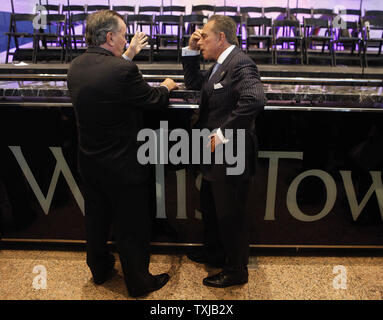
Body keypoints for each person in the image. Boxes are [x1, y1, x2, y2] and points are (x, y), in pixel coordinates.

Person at [67, 10, 178, 297]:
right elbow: (152, 100)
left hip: (90, 162)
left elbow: (109, 79)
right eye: (124, 35)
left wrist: (127, 54)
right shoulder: (123, 71)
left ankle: (100, 270)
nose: (126, 40)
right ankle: (140, 283)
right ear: (110, 36)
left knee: (96, 220)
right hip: (124, 167)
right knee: (132, 227)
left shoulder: (76, 66)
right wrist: (166, 87)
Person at [182, 15, 265, 288]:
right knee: (211, 205)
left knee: (231, 215)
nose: (199, 38)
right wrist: (191, 52)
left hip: (231, 153)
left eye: (204, 36)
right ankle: (215, 251)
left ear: (221, 38)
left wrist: (223, 131)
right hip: (214, 155)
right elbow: (196, 83)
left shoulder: (240, 63)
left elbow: (255, 99)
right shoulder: (220, 64)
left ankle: (236, 270)